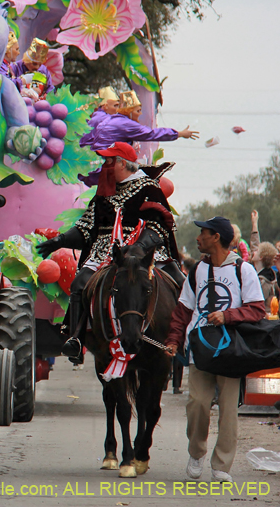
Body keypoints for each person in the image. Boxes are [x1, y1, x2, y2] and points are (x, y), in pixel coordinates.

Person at [36, 142, 183, 364]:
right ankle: (75, 339)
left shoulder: (149, 188)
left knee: (181, 281)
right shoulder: (104, 193)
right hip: (106, 251)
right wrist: (60, 240)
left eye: (108, 161)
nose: (105, 165)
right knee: (79, 284)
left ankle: (186, 335)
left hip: (146, 252)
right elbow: (86, 227)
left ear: (122, 163)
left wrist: (141, 247)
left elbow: (161, 225)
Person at [165, 216, 265, 483]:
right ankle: (196, 453)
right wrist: (174, 340)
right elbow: (183, 310)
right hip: (200, 348)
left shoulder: (243, 270)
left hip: (231, 351)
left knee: (229, 409)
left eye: (203, 234)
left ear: (216, 238)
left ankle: (221, 464)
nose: (198, 238)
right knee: (197, 403)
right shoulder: (197, 270)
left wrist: (227, 315)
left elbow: (257, 309)